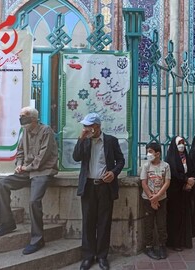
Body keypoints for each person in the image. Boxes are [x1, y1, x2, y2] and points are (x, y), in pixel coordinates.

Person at [0, 107, 58, 255]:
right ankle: (7, 223)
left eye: (23, 116)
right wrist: (19, 165)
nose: (20, 118)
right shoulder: (25, 131)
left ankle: (37, 239)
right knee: (1, 184)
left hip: (42, 171)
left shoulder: (46, 131)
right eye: (20, 116)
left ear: (33, 118)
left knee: (33, 201)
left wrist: (26, 168)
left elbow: (42, 158)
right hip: (27, 171)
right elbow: (19, 152)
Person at [73, 113, 125, 270]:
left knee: (104, 222)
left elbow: (121, 160)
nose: (86, 129)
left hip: (104, 187)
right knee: (88, 221)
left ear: (97, 126)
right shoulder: (85, 141)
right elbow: (76, 157)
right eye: (85, 126)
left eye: (89, 126)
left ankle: (102, 256)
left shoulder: (110, 141)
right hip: (88, 186)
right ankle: (88, 256)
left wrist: (114, 173)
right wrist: (81, 139)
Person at [165, 136, 195, 251]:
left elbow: (192, 171)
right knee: (175, 217)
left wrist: (191, 182)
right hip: (175, 192)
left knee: (185, 216)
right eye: (179, 143)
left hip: (186, 191)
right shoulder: (171, 158)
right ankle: (175, 242)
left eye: (183, 143)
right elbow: (173, 173)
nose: (182, 145)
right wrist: (185, 180)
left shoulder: (186, 157)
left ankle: (184, 240)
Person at [140, 142, 171, 259]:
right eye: (147, 151)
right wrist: (152, 198)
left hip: (161, 199)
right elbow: (144, 182)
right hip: (147, 199)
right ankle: (148, 246)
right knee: (149, 223)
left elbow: (167, 182)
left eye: (150, 151)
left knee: (161, 223)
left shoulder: (165, 166)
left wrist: (157, 196)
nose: (148, 154)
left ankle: (162, 245)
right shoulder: (146, 166)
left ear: (157, 153)